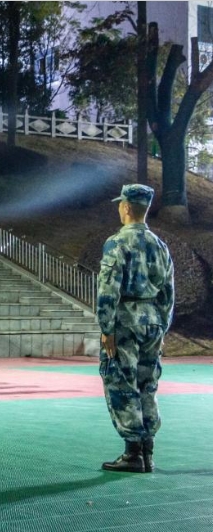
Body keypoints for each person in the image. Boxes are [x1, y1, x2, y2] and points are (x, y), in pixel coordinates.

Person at [98, 184, 174, 473]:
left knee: (121, 382)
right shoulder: (160, 245)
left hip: (126, 321)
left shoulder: (117, 243)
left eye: (121, 204)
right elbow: (168, 292)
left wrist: (107, 328)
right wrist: (162, 326)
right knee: (147, 384)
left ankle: (133, 453)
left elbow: (108, 288)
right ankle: (148, 452)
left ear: (127, 207)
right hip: (153, 321)